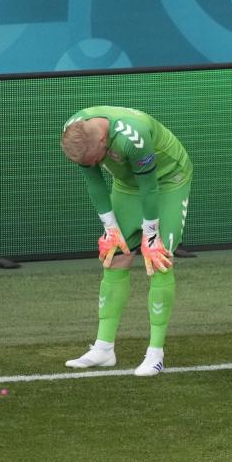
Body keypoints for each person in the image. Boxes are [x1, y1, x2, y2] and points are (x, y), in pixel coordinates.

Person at [61, 106, 192, 376]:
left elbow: (150, 187)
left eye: (96, 160)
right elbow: (94, 183)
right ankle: (103, 348)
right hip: (126, 184)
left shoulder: (133, 136)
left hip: (167, 180)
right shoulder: (76, 135)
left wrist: (151, 234)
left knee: (159, 258)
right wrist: (110, 229)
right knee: (115, 255)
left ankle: (156, 354)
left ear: (102, 142)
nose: (93, 166)